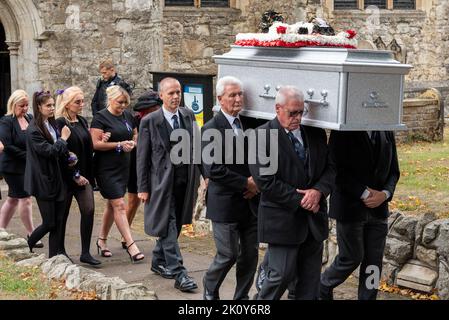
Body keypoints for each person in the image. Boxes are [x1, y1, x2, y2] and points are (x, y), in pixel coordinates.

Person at [249, 85, 334, 300]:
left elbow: (330, 169)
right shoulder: (262, 136)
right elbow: (266, 182)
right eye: (292, 112)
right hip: (282, 219)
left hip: (313, 220)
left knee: (310, 282)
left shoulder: (315, 134)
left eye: (301, 112)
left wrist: (318, 191)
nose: (297, 117)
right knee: (280, 276)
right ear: (278, 108)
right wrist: (304, 199)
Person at [137, 77, 201, 292]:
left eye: (178, 92)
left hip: (185, 182)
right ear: (161, 96)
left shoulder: (188, 115)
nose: (175, 97)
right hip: (160, 185)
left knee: (175, 227)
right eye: (171, 93)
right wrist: (142, 187)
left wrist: (205, 175)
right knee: (168, 224)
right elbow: (142, 158)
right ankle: (179, 273)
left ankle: (158, 260)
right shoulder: (150, 121)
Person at [319, 129, 400, 300]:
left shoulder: (387, 130)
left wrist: (384, 194)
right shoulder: (342, 131)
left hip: (379, 210)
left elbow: (394, 171)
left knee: (374, 264)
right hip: (349, 208)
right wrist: (364, 193)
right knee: (351, 258)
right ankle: (323, 285)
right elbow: (336, 171)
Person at [201, 76, 259, 300]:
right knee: (228, 254)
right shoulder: (210, 128)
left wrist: (257, 185)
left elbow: (264, 157)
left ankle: (241, 297)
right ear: (220, 99)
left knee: (250, 256)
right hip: (224, 203)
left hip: (250, 202)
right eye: (232, 95)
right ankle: (210, 287)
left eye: (240, 94)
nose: (237, 99)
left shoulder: (251, 123)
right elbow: (214, 169)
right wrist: (246, 183)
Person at [90, 85, 144, 263]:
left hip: (124, 166)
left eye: (126, 103)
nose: (123, 106)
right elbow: (95, 144)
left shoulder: (128, 116)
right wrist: (119, 144)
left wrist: (133, 143)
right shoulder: (100, 118)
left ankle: (102, 240)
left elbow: (135, 134)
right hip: (106, 168)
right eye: (120, 102)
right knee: (119, 204)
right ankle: (131, 245)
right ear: (110, 99)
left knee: (111, 205)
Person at [55, 86, 101, 266]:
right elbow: (62, 153)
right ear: (67, 104)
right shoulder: (59, 123)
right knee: (62, 214)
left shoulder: (81, 121)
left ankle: (85, 252)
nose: (82, 104)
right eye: (78, 102)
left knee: (88, 210)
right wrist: (74, 175)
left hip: (84, 177)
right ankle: (60, 250)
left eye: (82, 101)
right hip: (67, 177)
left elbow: (86, 147)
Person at [25, 91, 71, 257]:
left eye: (53, 105)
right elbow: (50, 151)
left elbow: (58, 151)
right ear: (39, 107)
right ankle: (27, 244)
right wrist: (63, 139)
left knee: (58, 222)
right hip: (42, 180)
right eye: (48, 105)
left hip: (56, 179)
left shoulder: (51, 124)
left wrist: (69, 155)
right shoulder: (33, 130)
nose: (52, 108)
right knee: (49, 222)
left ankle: (55, 257)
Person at [119, 90, 162, 249]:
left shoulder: (162, 120)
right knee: (133, 201)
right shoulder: (136, 121)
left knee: (156, 201)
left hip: (156, 166)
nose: (155, 110)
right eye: (152, 108)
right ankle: (126, 234)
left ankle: (160, 235)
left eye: (156, 107)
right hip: (136, 164)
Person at [0, 90, 43, 248]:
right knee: (25, 198)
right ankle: (32, 233)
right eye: (21, 106)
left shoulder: (30, 118)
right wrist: (29, 156)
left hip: (27, 165)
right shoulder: (6, 121)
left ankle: (1, 229)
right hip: (11, 166)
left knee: (12, 199)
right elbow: (8, 145)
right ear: (13, 104)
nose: (25, 109)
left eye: (26, 105)